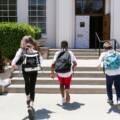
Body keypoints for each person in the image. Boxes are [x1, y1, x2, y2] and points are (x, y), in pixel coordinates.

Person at [12, 36, 43, 111]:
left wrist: (13, 64)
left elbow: (16, 58)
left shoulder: (21, 50)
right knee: (32, 86)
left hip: (25, 70)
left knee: (27, 84)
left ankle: (28, 99)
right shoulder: (35, 50)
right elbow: (41, 60)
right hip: (34, 70)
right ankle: (31, 103)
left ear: (23, 42)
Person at [50, 41, 77, 105]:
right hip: (68, 72)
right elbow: (75, 63)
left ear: (61, 46)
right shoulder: (70, 53)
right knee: (67, 84)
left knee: (61, 84)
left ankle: (62, 98)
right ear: (67, 46)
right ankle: (67, 90)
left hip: (59, 72)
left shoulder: (57, 53)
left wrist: (52, 72)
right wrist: (72, 69)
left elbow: (53, 64)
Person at [98, 41, 120, 105]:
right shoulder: (117, 53)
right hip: (118, 72)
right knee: (118, 87)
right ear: (111, 47)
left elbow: (99, 63)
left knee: (109, 86)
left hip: (109, 73)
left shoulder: (103, 54)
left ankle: (110, 99)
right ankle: (119, 99)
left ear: (104, 48)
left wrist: (101, 65)